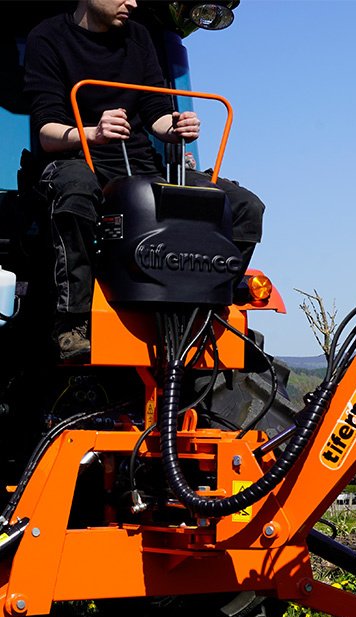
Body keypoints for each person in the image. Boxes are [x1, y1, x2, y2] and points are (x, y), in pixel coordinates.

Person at [23, 0, 264, 359]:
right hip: (75, 158)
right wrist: (94, 133)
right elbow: (47, 131)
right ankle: (72, 323)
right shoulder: (48, 38)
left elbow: (157, 115)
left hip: (139, 166)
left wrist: (177, 126)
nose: (133, 3)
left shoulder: (139, 37)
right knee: (75, 192)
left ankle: (204, 312)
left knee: (242, 206)